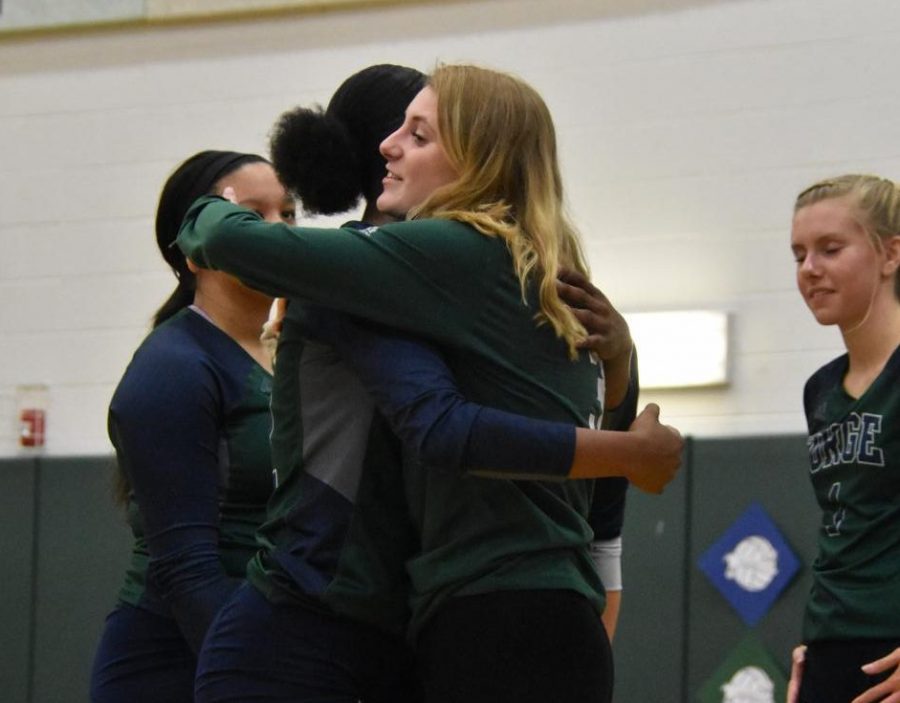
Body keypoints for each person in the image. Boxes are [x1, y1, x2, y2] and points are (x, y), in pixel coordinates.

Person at [180, 64, 683, 703]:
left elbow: (441, 429)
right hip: (510, 620)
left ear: (479, 162)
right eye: (395, 131)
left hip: (478, 622)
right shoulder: (554, 275)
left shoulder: (443, 256)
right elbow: (598, 485)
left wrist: (209, 209)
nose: (389, 147)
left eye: (419, 135)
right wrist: (622, 384)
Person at [89, 150, 296, 703]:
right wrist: (255, 678)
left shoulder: (299, 349)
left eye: (289, 214)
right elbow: (187, 572)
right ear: (195, 248)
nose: (277, 232)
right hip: (178, 660)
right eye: (252, 217)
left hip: (266, 640)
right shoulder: (174, 366)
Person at [785, 174, 900, 703]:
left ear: (890, 254)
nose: (810, 270)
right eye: (799, 254)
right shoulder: (821, 390)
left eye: (830, 249)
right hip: (830, 644)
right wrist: (815, 647)